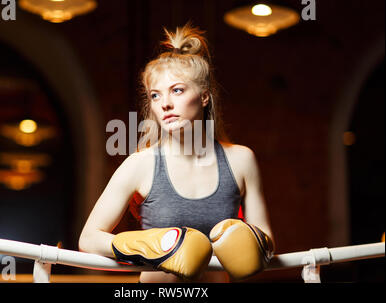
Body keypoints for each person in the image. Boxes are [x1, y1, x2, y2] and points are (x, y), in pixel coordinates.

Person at [78, 23, 275, 283]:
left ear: (204, 97)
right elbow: (89, 238)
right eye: (155, 96)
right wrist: (153, 246)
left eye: (177, 90)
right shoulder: (141, 164)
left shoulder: (240, 160)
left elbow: (267, 240)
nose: (166, 104)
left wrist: (252, 244)